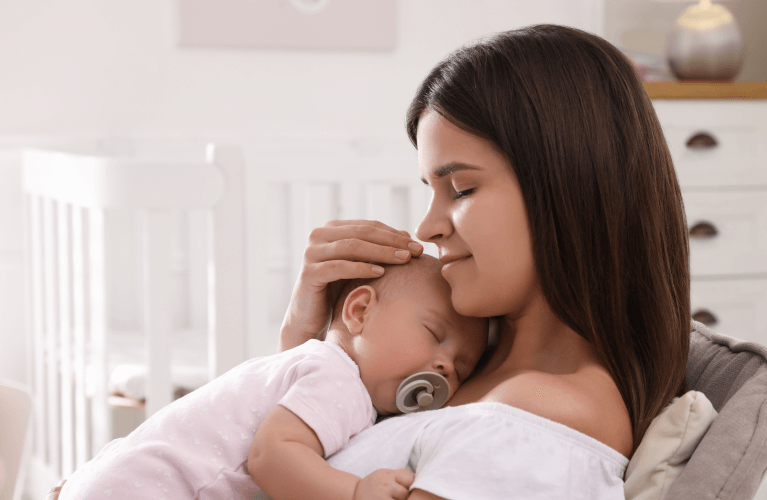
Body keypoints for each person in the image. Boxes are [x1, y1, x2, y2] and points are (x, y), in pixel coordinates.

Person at [49, 22, 690, 500]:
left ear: (566, 186)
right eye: (429, 191)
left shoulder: (543, 420)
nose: (428, 226)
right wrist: (309, 346)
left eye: (461, 188)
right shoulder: (470, 372)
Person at [53, 255, 488, 500]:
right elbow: (272, 457)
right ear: (360, 311)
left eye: (462, 366)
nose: (446, 365)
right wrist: (356, 493)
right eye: (434, 335)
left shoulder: (306, 364)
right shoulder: (340, 381)